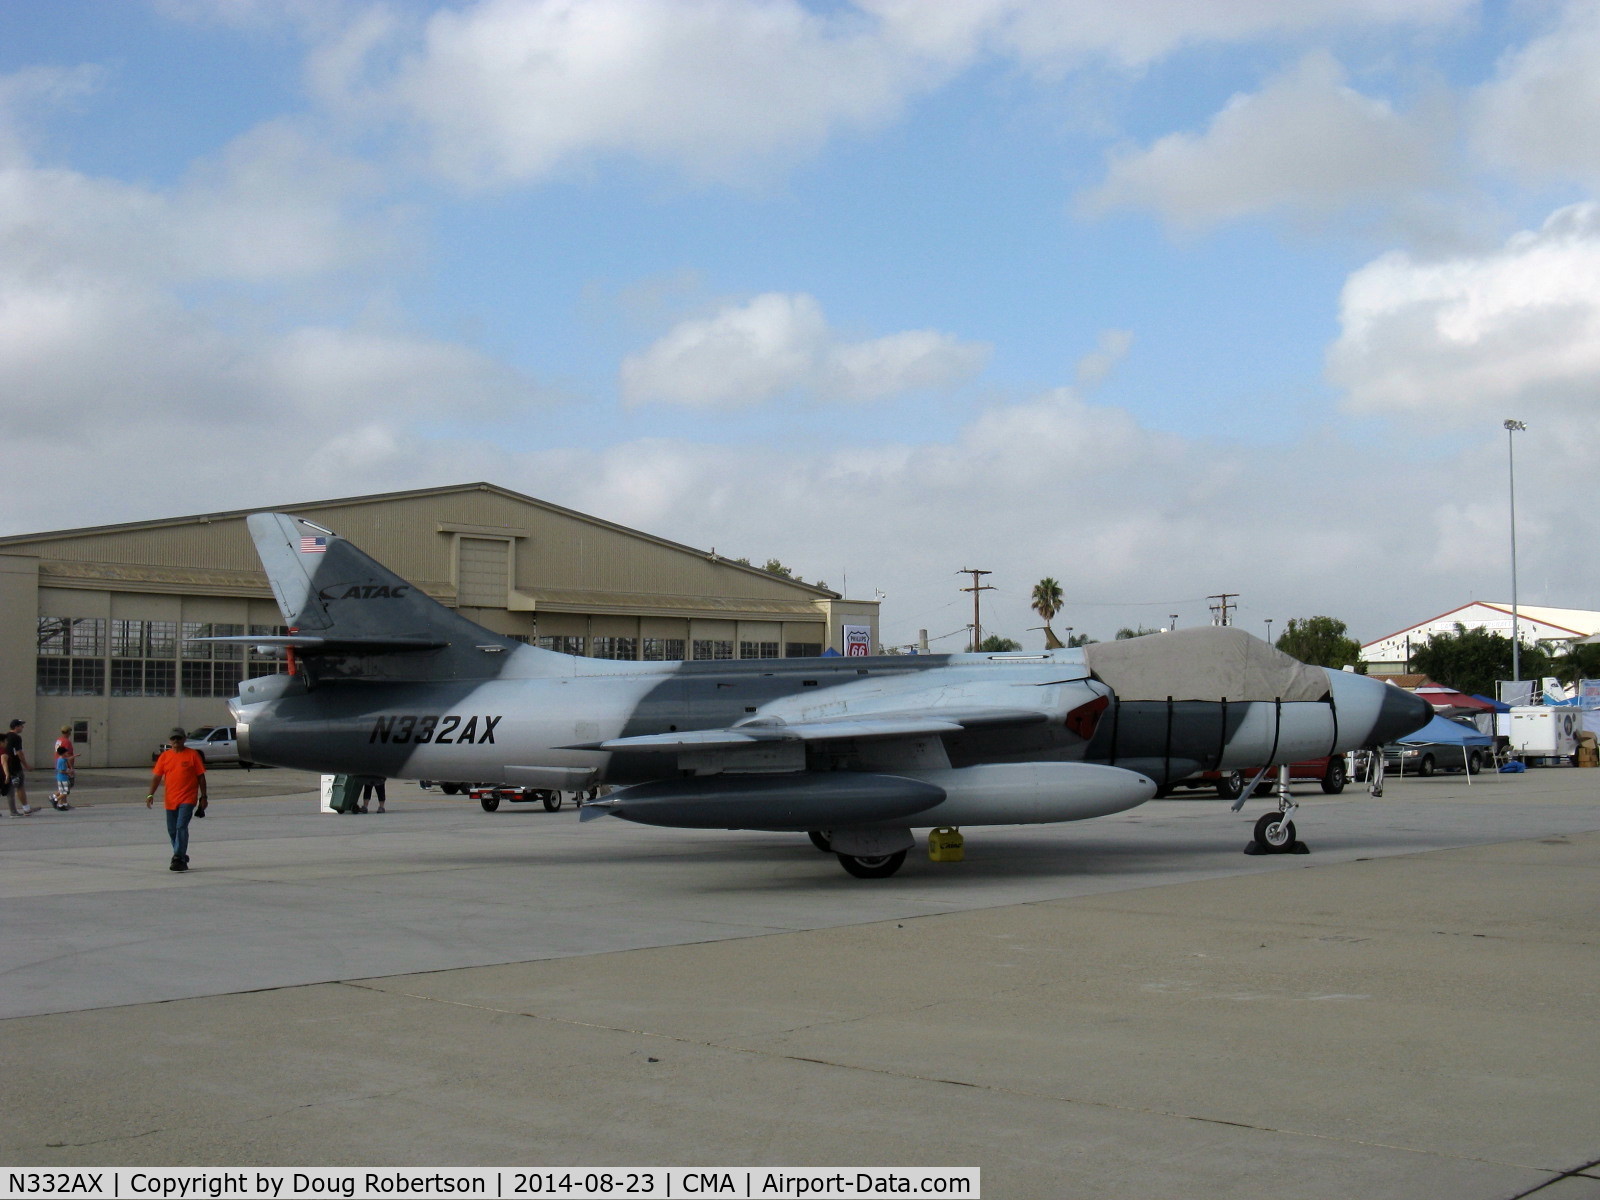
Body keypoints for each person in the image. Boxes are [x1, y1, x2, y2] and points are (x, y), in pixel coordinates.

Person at [147, 727, 208, 871]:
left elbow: (201, 776)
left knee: (181, 826)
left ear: (184, 739)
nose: (176, 741)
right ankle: (181, 854)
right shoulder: (165, 757)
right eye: (173, 738)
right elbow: (157, 777)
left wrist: (204, 797)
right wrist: (150, 794)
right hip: (170, 799)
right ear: (170, 740)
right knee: (172, 830)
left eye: (179, 738)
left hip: (188, 798)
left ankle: (178, 857)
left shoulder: (192, 755)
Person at [4, 718, 32, 815]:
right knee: (19, 786)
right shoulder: (16, 737)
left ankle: (14, 810)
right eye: (21, 726)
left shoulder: (5, 736)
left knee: (8, 788)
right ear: (16, 727)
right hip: (15, 766)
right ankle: (25, 808)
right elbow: (20, 753)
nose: (23, 727)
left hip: (5, 765)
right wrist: (26, 765)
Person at [49, 725, 75, 811]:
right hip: (64, 765)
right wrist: (71, 768)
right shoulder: (67, 742)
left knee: (62, 786)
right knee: (67, 785)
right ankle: (54, 798)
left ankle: (63, 804)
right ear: (68, 732)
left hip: (58, 763)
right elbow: (69, 755)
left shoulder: (59, 740)